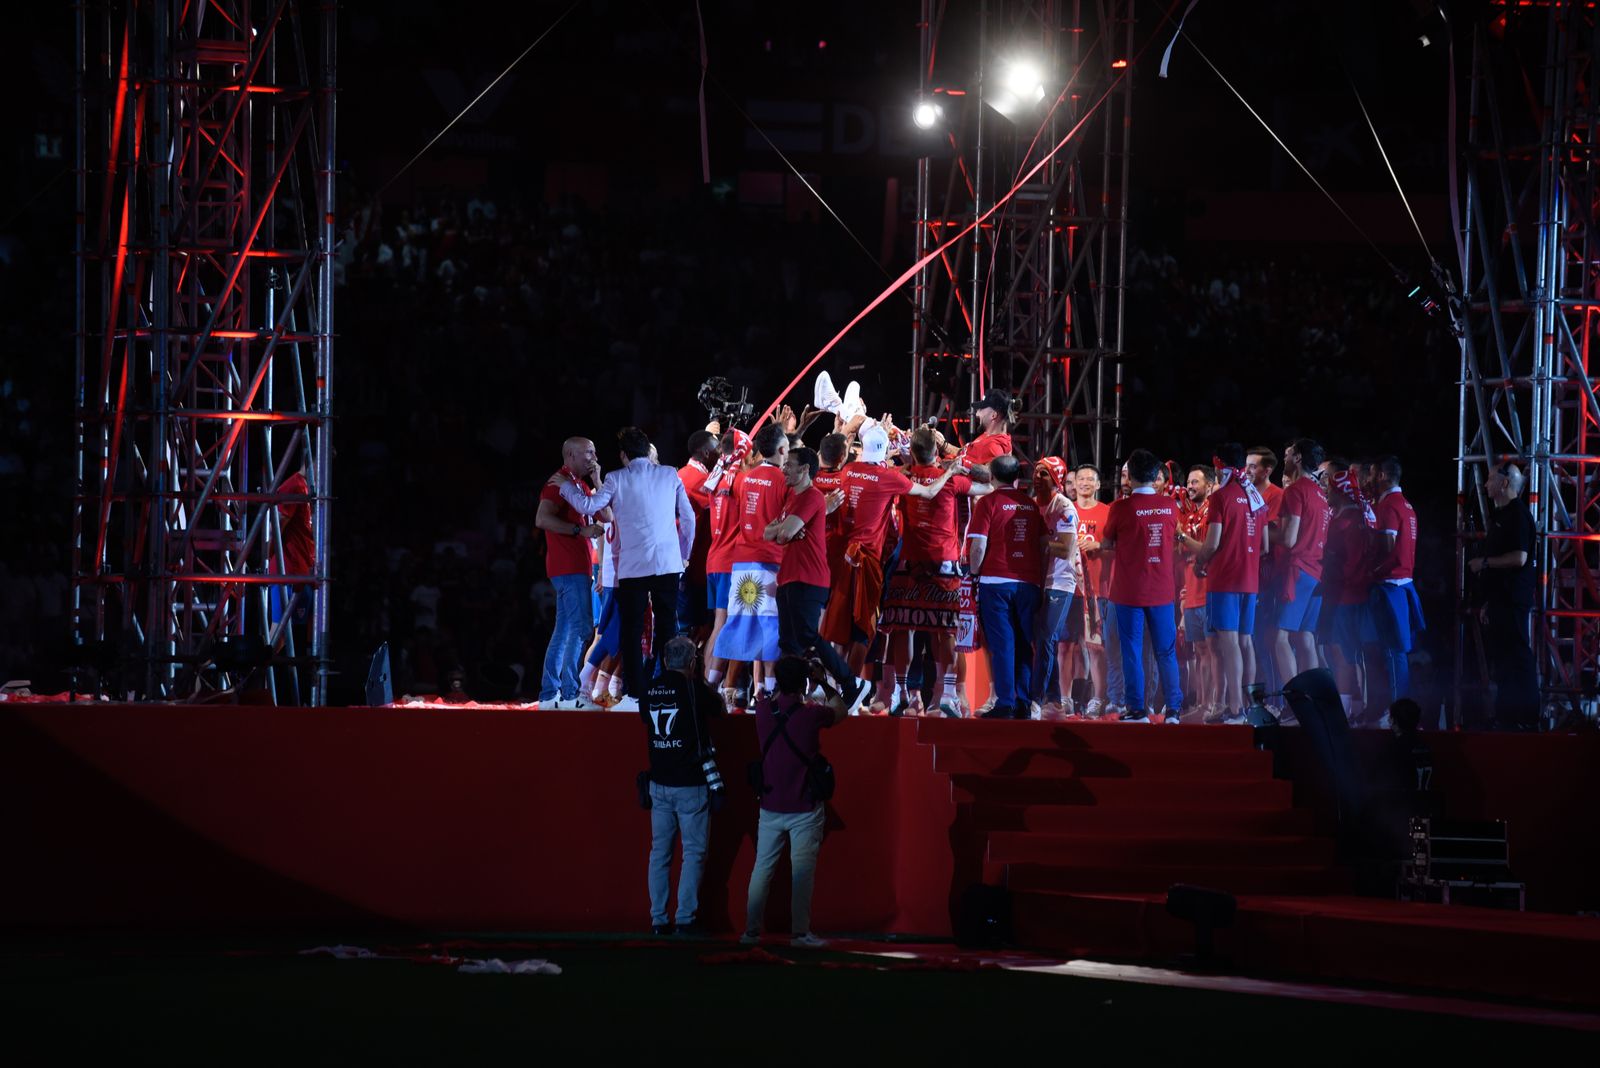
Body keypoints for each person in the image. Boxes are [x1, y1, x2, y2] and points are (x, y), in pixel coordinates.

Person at [557, 427, 696, 709]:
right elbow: (689, 519)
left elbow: (591, 505)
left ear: (623, 455)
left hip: (633, 568)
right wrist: (683, 555)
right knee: (666, 628)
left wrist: (565, 488)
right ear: (647, 450)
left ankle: (635, 694)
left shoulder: (615, 478)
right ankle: (667, 687)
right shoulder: (670, 474)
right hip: (668, 564)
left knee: (631, 632)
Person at [822, 424, 953, 686]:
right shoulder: (889, 478)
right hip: (869, 562)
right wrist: (950, 473)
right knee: (864, 629)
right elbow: (928, 491)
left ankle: (829, 686)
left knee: (839, 626)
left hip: (843, 559)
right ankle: (850, 686)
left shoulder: (848, 471)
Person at [880, 427, 990, 715]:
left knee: (904, 629)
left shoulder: (901, 478)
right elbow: (988, 484)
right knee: (946, 632)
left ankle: (900, 693)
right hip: (945, 564)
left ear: (913, 452)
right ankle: (948, 694)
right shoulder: (952, 481)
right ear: (936, 452)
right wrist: (956, 462)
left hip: (908, 563)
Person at [742, 655, 850, 949]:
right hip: (804, 806)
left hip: (770, 803)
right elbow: (841, 711)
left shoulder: (763, 711)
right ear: (803, 681)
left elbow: (774, 702)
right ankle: (800, 933)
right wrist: (823, 682)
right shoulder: (811, 714)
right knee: (802, 873)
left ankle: (751, 932)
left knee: (762, 869)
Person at [765, 446, 864, 709]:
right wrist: (782, 529)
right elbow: (767, 533)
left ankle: (850, 682)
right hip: (788, 578)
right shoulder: (790, 498)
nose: (784, 469)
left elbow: (783, 534)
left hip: (809, 578)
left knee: (808, 635)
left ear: (804, 469)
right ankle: (787, 695)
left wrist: (783, 530)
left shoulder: (812, 497)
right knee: (788, 642)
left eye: (789, 465)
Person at [641, 636, 727, 935]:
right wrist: (700, 678)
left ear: (665, 661)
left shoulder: (650, 689)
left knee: (659, 853)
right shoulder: (693, 689)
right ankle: (686, 919)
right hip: (691, 784)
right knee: (693, 853)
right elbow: (720, 708)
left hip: (659, 782)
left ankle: (658, 920)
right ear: (693, 662)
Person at [1099, 449, 1183, 721]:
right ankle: (1173, 709)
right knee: (1165, 651)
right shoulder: (1170, 506)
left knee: (1132, 651)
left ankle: (1137, 710)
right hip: (1161, 589)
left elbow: (1107, 542)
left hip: (1128, 591)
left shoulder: (1120, 508)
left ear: (1131, 476)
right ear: (1155, 475)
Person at [712, 424, 790, 696]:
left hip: (742, 563)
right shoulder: (783, 481)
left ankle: (713, 683)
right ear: (782, 450)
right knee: (769, 626)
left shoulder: (746, 478)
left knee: (737, 622)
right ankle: (768, 689)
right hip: (769, 562)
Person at [966, 454, 1045, 719]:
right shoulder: (1031, 505)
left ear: (991, 476)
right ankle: (1023, 702)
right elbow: (1043, 542)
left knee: (1002, 644)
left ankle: (1005, 703)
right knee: (1024, 644)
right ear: (1017, 478)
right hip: (1029, 583)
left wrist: (974, 573)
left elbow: (977, 545)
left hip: (996, 582)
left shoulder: (988, 503)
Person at [1196, 442, 1266, 722]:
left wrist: (1201, 561)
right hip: (1250, 579)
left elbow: (1211, 543)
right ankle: (1249, 706)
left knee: (1229, 644)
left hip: (1225, 578)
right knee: (1245, 642)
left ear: (1217, 464)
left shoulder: (1221, 497)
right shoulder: (1255, 497)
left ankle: (1235, 708)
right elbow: (1266, 545)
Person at [537, 437, 608, 708]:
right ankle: (568, 695)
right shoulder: (559, 484)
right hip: (568, 567)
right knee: (580, 629)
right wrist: (580, 531)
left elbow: (606, 516)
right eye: (588, 452)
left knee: (565, 629)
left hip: (575, 566)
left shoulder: (578, 485)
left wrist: (598, 480)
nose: (593, 456)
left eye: (594, 451)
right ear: (570, 455)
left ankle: (550, 694)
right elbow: (541, 519)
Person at [1471, 461, 1539, 730]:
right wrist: (1488, 601)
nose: (1486, 485)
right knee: (1503, 659)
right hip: (1500, 599)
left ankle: (1526, 717)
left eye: (1490, 479)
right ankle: (1506, 716)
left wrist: (1485, 563)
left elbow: (1519, 557)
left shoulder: (1518, 516)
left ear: (1505, 482)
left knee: (1517, 657)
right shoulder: (1500, 517)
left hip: (1513, 598)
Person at [1319, 463, 1377, 722]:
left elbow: (1346, 564)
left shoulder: (1345, 523)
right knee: (1350, 652)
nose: (1327, 493)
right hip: (1356, 594)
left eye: (1330, 488)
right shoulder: (1361, 518)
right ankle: (1356, 705)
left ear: (1340, 492)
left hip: (1344, 595)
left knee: (1342, 652)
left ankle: (1343, 713)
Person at [1367, 456, 1424, 710]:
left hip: (1390, 586)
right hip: (1403, 584)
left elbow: (1388, 546)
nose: (1368, 480)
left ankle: (1395, 713)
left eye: (1371, 473)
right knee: (1395, 651)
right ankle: (1395, 711)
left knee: (1392, 652)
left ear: (1381, 476)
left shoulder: (1389, 504)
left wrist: (1369, 568)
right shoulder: (1407, 505)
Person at [1273, 439, 1331, 685]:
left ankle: (1295, 702)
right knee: (1305, 638)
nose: (1284, 459)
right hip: (1316, 572)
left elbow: (1288, 539)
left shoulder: (1296, 490)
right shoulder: (1320, 494)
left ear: (1297, 458)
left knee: (1280, 638)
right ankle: (1314, 699)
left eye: (1288, 455)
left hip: (1298, 570)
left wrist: (1259, 531)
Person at [1032, 456, 1080, 715]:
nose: (1037, 478)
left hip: (1060, 582)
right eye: (1036, 472)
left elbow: (1066, 549)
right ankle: (1054, 699)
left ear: (1056, 480)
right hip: (1037, 581)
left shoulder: (1064, 507)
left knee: (1047, 639)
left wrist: (1039, 541)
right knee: (1040, 640)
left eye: (1044, 474)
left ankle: (1036, 700)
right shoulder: (1032, 504)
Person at [1066, 464, 1112, 716]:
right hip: (1068, 589)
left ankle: (1098, 698)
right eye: (1080, 479)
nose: (1083, 483)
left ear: (1097, 485)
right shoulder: (1064, 509)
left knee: (1096, 647)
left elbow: (1119, 547)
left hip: (1098, 589)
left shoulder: (1108, 512)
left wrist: (1098, 544)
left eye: (1089, 479)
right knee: (1068, 647)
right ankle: (1066, 699)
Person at [1176, 464, 1217, 718]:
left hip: (1209, 589)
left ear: (1210, 485)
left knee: (1213, 651)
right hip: (1191, 590)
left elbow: (1205, 549)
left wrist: (1181, 537)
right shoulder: (1191, 515)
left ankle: (1213, 704)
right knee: (1199, 651)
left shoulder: (1214, 511)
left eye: (1196, 482)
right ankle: (1202, 705)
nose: (1190, 487)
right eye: (1189, 482)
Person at [1247, 446, 1285, 696]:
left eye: (1252, 466)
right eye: (1246, 465)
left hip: (1268, 576)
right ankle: (1255, 699)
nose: (1247, 470)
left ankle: (1275, 700)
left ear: (1267, 470)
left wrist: (1246, 532)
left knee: (1265, 640)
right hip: (1248, 574)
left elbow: (1273, 534)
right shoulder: (1245, 493)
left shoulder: (1276, 495)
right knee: (1249, 641)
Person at [676, 430, 720, 639]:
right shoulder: (696, 479)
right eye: (717, 450)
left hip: (689, 560)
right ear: (704, 453)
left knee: (694, 624)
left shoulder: (687, 472)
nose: (721, 454)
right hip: (688, 562)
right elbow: (724, 501)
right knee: (688, 624)